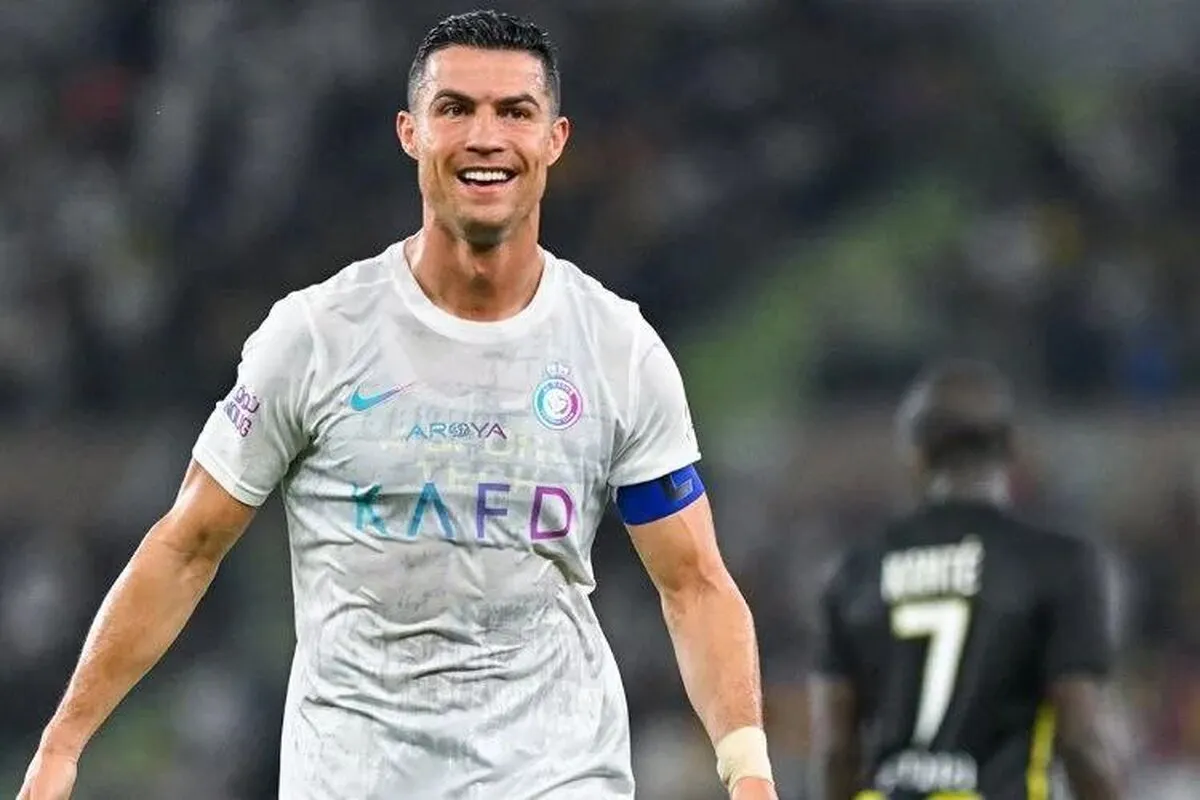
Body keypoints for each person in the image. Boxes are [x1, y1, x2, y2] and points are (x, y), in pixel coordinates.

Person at [19, 10, 777, 800]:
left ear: (555, 140)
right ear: (410, 133)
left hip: (555, 776)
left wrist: (747, 769)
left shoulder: (617, 347)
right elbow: (188, 544)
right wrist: (64, 740)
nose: (486, 137)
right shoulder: (317, 336)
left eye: (514, 112)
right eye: (456, 109)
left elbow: (694, 583)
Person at [808, 359, 1126, 800]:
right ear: (1011, 447)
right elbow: (1082, 742)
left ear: (916, 454)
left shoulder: (854, 573)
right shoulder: (1058, 564)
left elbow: (835, 752)